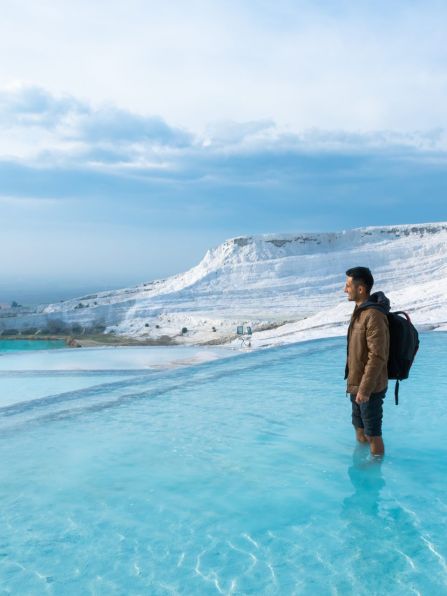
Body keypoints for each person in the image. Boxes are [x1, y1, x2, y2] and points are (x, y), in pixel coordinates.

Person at [344, 267, 390, 456]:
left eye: (348, 285)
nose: (345, 289)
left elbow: (377, 356)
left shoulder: (374, 316)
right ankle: (362, 462)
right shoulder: (359, 312)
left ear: (361, 289)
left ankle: (375, 471)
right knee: (359, 429)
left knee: (373, 434)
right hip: (356, 384)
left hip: (369, 387)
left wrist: (365, 389)